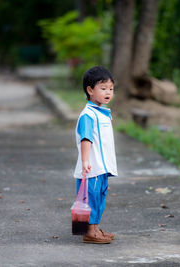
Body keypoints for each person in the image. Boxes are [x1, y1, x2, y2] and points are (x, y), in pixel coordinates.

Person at [73, 66, 117, 244]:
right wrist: (85, 162)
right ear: (90, 90)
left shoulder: (102, 113)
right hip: (92, 167)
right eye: (103, 88)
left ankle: (96, 228)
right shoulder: (88, 115)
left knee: (99, 198)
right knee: (90, 198)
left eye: (111, 89)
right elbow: (86, 139)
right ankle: (89, 232)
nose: (108, 92)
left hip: (102, 168)